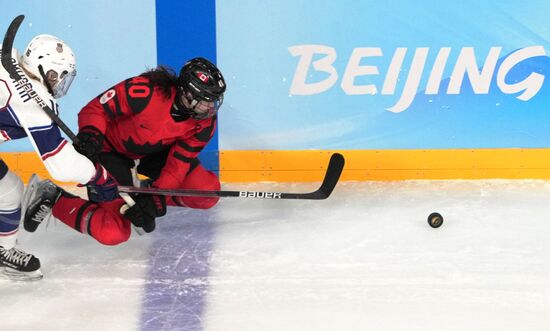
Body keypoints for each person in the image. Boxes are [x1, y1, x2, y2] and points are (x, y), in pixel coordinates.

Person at [23, 57, 226, 246]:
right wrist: (91, 135)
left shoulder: (204, 123)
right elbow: (94, 110)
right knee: (113, 231)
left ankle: (140, 190)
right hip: (109, 151)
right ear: (186, 93)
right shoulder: (146, 91)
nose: (209, 107)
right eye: (204, 100)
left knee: (206, 193)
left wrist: (157, 197)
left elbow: (178, 163)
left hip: (152, 153)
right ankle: (54, 197)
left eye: (213, 101)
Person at [0, 35, 118, 281]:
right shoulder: (34, 102)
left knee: (9, 190)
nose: (61, 82)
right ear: (46, 69)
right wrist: (99, 176)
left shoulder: (6, 55)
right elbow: (61, 166)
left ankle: (3, 251)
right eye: (59, 75)